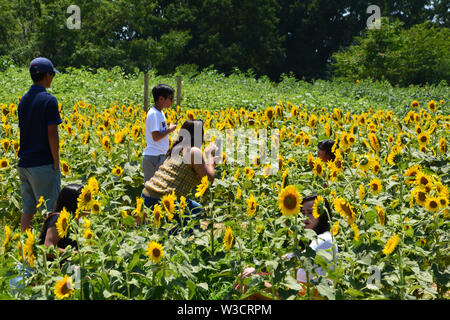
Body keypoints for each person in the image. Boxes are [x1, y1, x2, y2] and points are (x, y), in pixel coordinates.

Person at [235, 194, 337, 299]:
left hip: (309, 295)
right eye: (303, 213)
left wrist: (256, 271)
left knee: (251, 283)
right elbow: (288, 257)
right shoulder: (310, 239)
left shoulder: (325, 238)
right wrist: (258, 271)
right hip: (298, 292)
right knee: (249, 281)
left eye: (311, 212)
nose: (305, 217)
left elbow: (297, 258)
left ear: (322, 214)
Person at [140, 119, 219, 232]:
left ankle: (174, 238)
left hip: (147, 195)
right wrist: (210, 156)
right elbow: (209, 179)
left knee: (195, 209)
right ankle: (178, 242)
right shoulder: (194, 151)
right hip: (161, 199)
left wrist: (211, 163)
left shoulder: (177, 150)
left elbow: (199, 177)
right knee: (192, 218)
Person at [17, 57, 62, 232]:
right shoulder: (49, 101)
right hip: (42, 164)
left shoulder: (23, 101)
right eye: (52, 75)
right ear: (47, 75)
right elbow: (52, 134)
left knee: (28, 210)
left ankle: (24, 252)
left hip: (25, 163)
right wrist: (56, 161)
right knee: (51, 211)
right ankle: (50, 252)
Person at [142, 84, 178, 182]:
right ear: (161, 99)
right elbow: (156, 137)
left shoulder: (160, 112)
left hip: (158, 155)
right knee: (151, 190)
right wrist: (170, 130)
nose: (172, 101)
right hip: (154, 157)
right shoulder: (154, 114)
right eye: (170, 98)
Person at [39, 183, 83, 256]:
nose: (89, 201)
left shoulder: (77, 220)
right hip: (49, 266)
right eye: (84, 199)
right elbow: (47, 249)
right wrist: (76, 254)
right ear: (74, 202)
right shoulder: (59, 219)